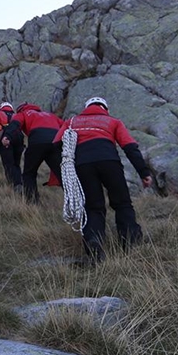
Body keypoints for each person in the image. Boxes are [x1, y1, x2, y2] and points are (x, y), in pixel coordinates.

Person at [54, 97, 153, 264]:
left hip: (82, 164)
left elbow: (56, 145)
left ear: (86, 108)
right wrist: (144, 172)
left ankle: (94, 242)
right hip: (109, 161)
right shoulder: (112, 121)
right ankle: (130, 243)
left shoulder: (71, 122)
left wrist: (62, 175)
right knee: (122, 203)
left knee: (93, 208)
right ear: (105, 108)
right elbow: (130, 147)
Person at [1, 102, 63, 204]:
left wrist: (7, 136)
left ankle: (32, 202)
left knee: (29, 173)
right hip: (55, 142)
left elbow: (15, 125)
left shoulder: (23, 113)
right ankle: (76, 201)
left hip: (37, 141)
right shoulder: (50, 115)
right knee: (62, 174)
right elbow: (65, 126)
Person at [0, 102, 23, 191]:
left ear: (1, 108)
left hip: (5, 139)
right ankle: (19, 182)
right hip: (19, 139)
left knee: (8, 164)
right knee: (16, 164)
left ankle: (14, 185)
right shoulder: (17, 115)